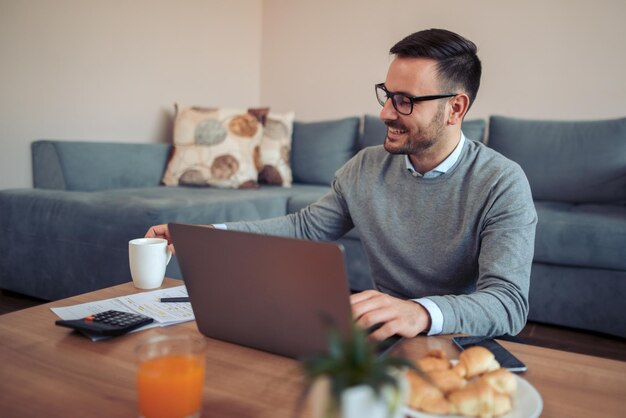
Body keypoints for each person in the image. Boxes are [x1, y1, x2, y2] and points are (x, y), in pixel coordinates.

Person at [147, 28, 537, 341]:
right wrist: (204, 236)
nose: (385, 112)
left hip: (459, 341)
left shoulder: (501, 182)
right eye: (387, 95)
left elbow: (508, 304)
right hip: (379, 337)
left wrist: (419, 311)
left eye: (405, 101)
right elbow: (304, 229)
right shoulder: (365, 168)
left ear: (455, 108)